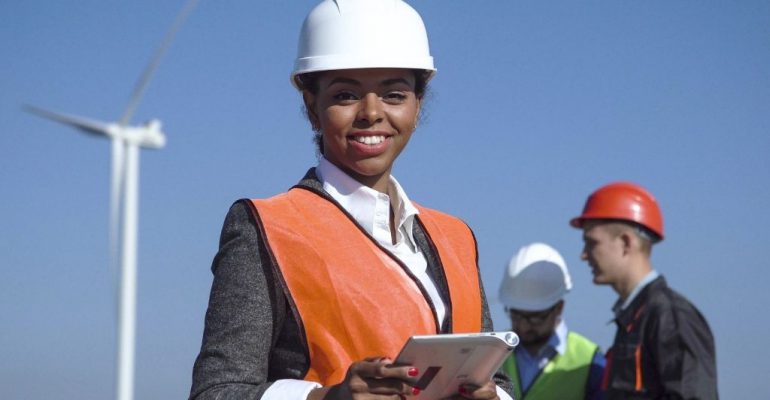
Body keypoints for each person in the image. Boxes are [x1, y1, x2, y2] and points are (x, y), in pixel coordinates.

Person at [189, 1, 514, 399]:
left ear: (417, 105)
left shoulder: (456, 238)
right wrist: (327, 398)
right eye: (346, 95)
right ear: (312, 106)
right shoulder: (266, 227)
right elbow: (217, 391)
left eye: (394, 94)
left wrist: (493, 396)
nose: (372, 113)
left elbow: (496, 381)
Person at [570, 182, 718, 399]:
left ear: (625, 243)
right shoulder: (637, 319)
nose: (584, 255)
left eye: (592, 243)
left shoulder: (671, 316)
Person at [498, 242, 605, 400]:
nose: (523, 325)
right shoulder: (492, 352)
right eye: (516, 315)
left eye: (535, 317)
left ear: (559, 308)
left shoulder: (590, 361)